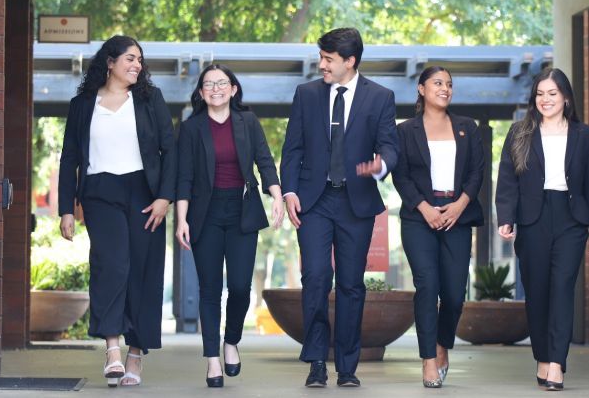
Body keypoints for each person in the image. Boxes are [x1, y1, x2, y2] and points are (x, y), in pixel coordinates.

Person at [280, 27, 399, 388]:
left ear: (350, 61)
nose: (322, 65)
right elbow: (293, 149)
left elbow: (389, 145)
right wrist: (289, 192)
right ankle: (317, 361)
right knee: (315, 278)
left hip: (355, 203)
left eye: (329, 59)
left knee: (351, 285)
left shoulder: (380, 97)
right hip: (314, 202)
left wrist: (381, 166)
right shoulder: (306, 95)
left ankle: (347, 366)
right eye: (321, 57)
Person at [58, 35, 176, 387]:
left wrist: (165, 198)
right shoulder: (82, 105)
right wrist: (66, 208)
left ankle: (135, 354)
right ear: (109, 62)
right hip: (99, 192)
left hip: (145, 192)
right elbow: (69, 159)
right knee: (111, 264)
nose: (137, 64)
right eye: (130, 58)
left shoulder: (149, 99)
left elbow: (169, 151)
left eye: (140, 59)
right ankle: (112, 348)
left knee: (142, 269)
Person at [495, 67, 589, 391]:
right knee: (538, 292)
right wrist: (507, 217)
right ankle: (543, 357)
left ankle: (556, 363)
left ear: (566, 97)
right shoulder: (520, 132)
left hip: (572, 218)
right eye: (540, 94)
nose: (546, 99)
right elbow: (506, 181)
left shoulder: (583, 134)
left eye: (552, 94)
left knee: (561, 289)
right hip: (533, 218)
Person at [175, 64, 284, 388]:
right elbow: (184, 176)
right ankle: (212, 359)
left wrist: (277, 196)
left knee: (239, 288)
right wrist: (181, 219)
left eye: (222, 83)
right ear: (201, 92)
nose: (216, 88)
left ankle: (231, 341)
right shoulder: (192, 127)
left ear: (233, 89)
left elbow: (264, 161)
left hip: (242, 211)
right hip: (204, 215)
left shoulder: (247, 122)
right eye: (209, 84)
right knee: (209, 290)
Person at [391, 66, 484, 388]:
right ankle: (429, 359)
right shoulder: (405, 131)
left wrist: (459, 205)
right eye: (437, 83)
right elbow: (400, 175)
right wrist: (424, 207)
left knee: (455, 294)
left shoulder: (467, 127)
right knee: (428, 286)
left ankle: (443, 344)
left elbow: (476, 172)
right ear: (421, 89)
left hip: (458, 215)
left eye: (449, 84)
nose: (444, 88)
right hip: (420, 217)